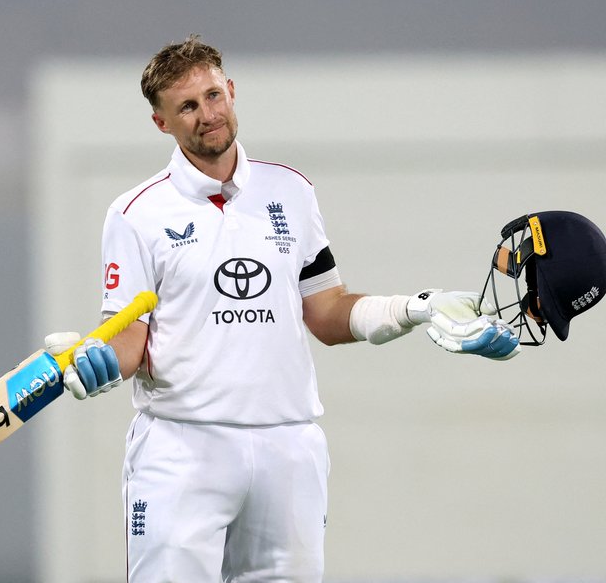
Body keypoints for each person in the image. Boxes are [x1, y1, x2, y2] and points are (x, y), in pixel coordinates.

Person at [45, 35, 519, 582]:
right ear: (162, 123)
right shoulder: (135, 214)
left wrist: (416, 307)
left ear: (231, 90)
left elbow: (326, 311)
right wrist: (97, 362)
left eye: (214, 95)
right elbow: (129, 338)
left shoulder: (289, 191)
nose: (208, 114)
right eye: (188, 107)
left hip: (288, 447)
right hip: (181, 450)